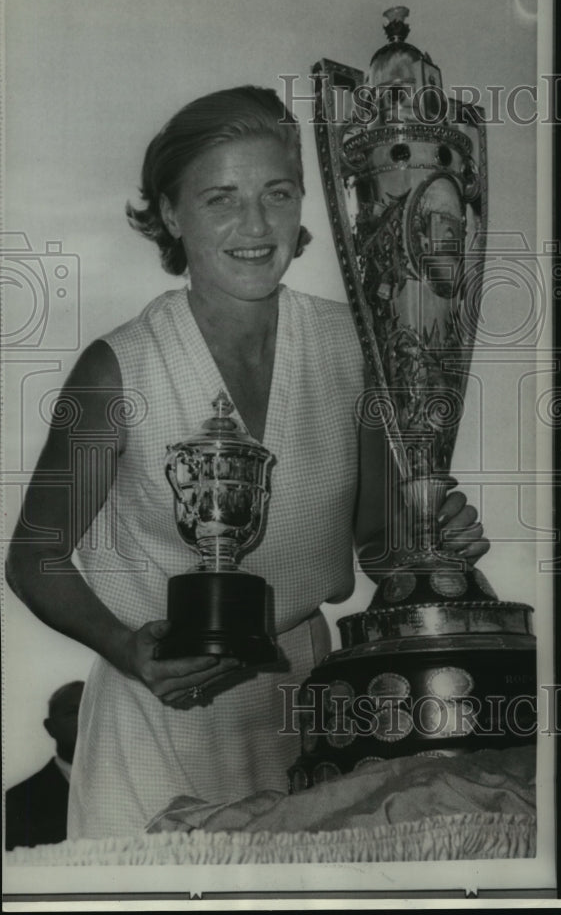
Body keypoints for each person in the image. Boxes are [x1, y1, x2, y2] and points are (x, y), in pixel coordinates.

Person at [6, 86, 489, 840]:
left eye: (277, 193)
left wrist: (429, 533)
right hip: (154, 728)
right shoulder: (118, 369)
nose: (255, 225)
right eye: (221, 199)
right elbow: (34, 556)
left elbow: (378, 544)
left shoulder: (356, 349)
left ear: (304, 207)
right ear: (171, 215)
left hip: (307, 725)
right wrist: (127, 650)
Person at [5, 681, 84, 850]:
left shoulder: (134, 787)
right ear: (50, 728)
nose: (86, 719)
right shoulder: (17, 802)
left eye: (92, 710)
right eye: (73, 712)